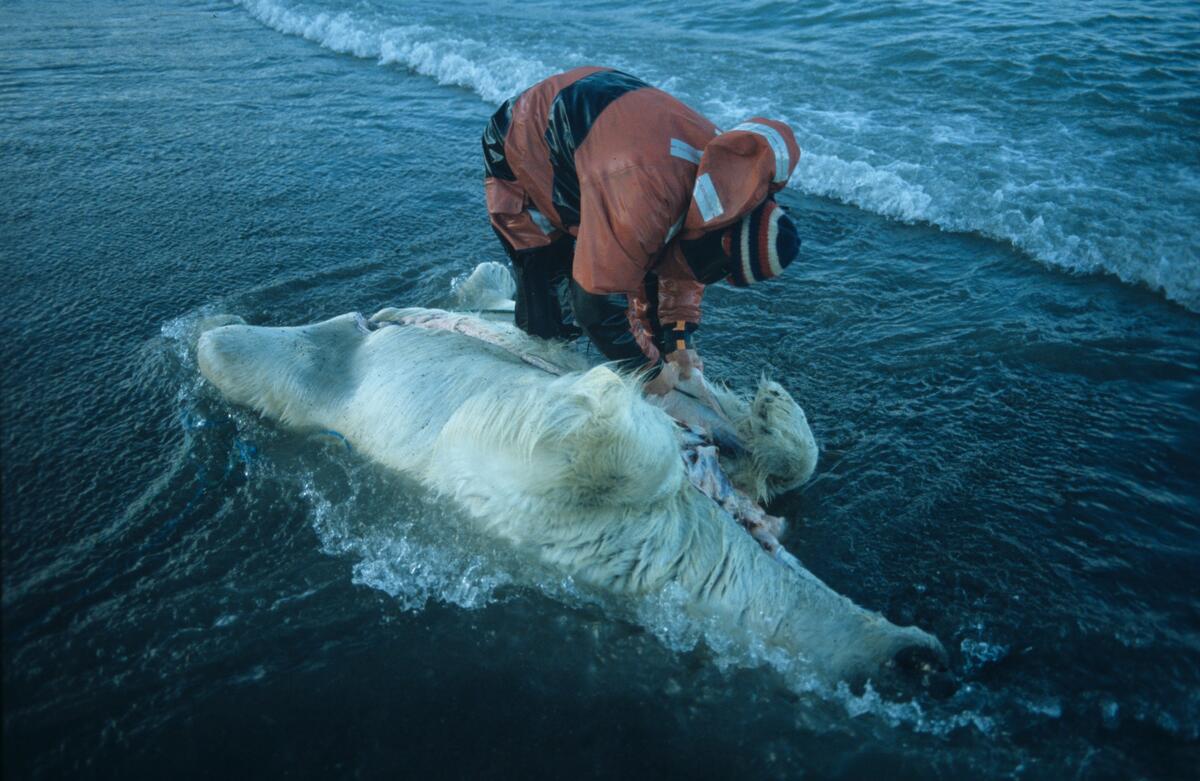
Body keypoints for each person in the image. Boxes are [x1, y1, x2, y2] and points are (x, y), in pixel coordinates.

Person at [482, 66, 801, 394]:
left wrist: (678, 339)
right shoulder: (647, 194)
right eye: (720, 270)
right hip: (524, 141)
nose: (715, 276)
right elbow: (596, 302)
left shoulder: (723, 191)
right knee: (548, 306)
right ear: (724, 238)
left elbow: (680, 258)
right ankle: (525, 365)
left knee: (638, 274)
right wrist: (648, 373)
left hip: (600, 134)